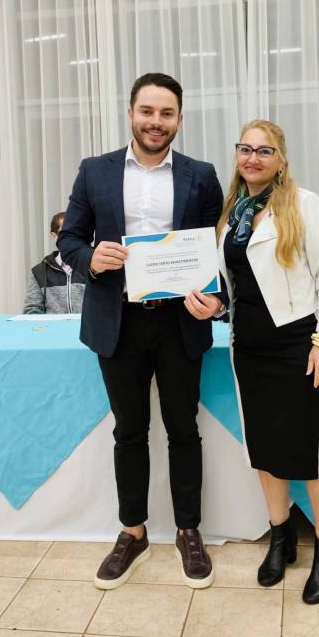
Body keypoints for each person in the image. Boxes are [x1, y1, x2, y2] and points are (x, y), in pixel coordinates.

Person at [58, 72, 227, 590]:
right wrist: (92, 258)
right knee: (129, 431)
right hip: (118, 323)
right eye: (147, 111)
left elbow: (214, 252)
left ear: (179, 118)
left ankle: (188, 530)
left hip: (180, 322)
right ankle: (132, 532)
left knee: (183, 430)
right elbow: (70, 240)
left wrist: (217, 300)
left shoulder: (201, 175)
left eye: (166, 113)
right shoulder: (95, 170)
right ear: (131, 113)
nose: (156, 122)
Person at [187, 119, 319, 604]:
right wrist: (215, 307)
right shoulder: (231, 213)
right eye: (246, 149)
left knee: (312, 452)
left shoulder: (303, 203)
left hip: (299, 346)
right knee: (263, 447)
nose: (253, 158)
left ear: (280, 159)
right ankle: (281, 538)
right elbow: (235, 285)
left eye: (264, 150)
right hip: (248, 348)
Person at [23, 211, 86, 315]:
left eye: (75, 231)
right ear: (54, 235)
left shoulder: (93, 267)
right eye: (65, 232)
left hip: (86, 326)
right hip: (51, 326)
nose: (71, 237)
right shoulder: (39, 272)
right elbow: (31, 312)